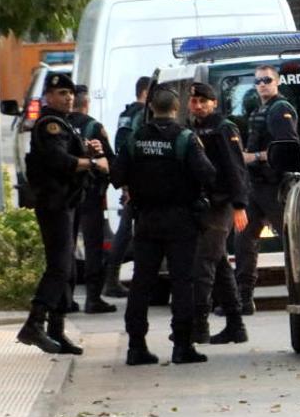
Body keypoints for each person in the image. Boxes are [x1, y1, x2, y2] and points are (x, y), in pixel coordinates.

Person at [110, 85, 216, 365]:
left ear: (152, 108)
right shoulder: (185, 139)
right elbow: (207, 174)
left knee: (141, 284)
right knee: (183, 283)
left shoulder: (135, 139)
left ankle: (136, 346)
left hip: (146, 220)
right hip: (181, 221)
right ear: (176, 108)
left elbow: (117, 175)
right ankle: (182, 346)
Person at [17, 72, 108, 355]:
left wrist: (90, 149)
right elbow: (58, 160)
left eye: (70, 93)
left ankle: (56, 330)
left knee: (67, 268)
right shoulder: (49, 125)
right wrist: (91, 161)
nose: (68, 98)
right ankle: (34, 324)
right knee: (59, 267)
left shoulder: (65, 124)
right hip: (54, 204)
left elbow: (72, 153)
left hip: (68, 202)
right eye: (61, 94)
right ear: (48, 97)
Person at [186, 82, 250, 344]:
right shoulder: (194, 129)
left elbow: (235, 168)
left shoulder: (223, 128)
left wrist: (239, 205)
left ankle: (198, 325)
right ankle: (236, 325)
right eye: (194, 101)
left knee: (203, 264)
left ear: (214, 103)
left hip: (221, 205)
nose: (198, 106)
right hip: (205, 205)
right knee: (220, 265)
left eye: (203, 101)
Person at [234, 65, 299, 315]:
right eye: (258, 81)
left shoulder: (280, 109)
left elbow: (288, 147)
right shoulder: (262, 109)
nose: (262, 84)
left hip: (275, 186)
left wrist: (255, 157)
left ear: (277, 82)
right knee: (243, 242)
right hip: (256, 186)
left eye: (267, 80)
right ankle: (244, 299)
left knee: (291, 242)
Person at [67, 85, 117, 314]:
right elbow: (110, 162)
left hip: (66, 196)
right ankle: (93, 299)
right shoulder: (93, 127)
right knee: (93, 246)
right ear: (86, 103)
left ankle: (66, 298)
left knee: (65, 247)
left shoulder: (60, 126)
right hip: (91, 195)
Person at [103, 76, 152, 298]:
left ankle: (112, 279)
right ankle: (113, 280)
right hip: (139, 180)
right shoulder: (142, 115)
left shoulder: (126, 113)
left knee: (126, 231)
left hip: (128, 178)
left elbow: (119, 145)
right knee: (130, 232)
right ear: (146, 91)